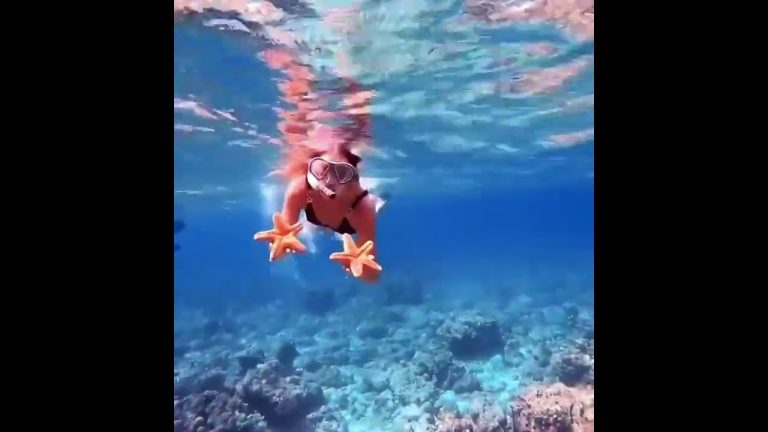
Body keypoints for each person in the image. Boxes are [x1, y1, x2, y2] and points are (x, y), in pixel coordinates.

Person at [253, 48, 383, 284]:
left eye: (342, 172)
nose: (330, 180)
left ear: (352, 177)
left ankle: (379, 197)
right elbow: (284, 232)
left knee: (371, 206)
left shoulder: (363, 208)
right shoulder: (298, 188)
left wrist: (360, 267)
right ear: (311, 169)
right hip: (314, 215)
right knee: (312, 229)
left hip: (347, 218)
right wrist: (281, 246)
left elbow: (372, 276)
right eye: (322, 169)